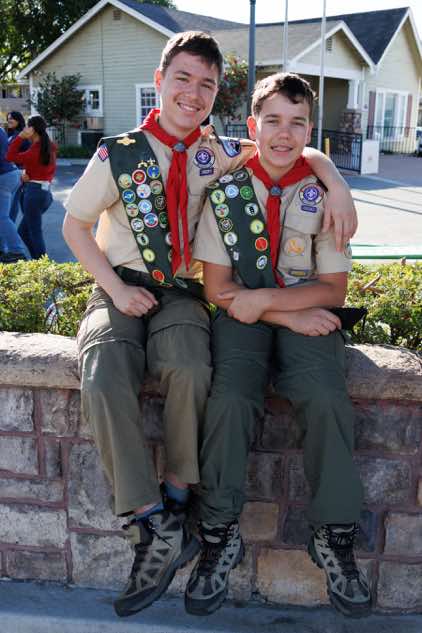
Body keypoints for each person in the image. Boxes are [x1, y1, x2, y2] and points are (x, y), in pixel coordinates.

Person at [62, 31, 358, 618]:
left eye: (207, 84)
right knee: (102, 374)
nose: (193, 94)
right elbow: (74, 225)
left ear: (218, 94)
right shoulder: (118, 153)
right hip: (120, 285)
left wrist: (336, 179)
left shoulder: (220, 152)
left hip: (179, 293)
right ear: (159, 80)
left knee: (192, 367)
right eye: (183, 79)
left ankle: (179, 494)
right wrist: (115, 289)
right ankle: (152, 522)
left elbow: (287, 146)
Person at [188, 72, 371, 619]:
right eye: (272, 121)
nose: (283, 134)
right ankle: (219, 532)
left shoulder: (324, 196)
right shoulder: (227, 192)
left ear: (310, 130)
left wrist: (267, 302)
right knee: (229, 400)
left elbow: (333, 290)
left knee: (325, 396)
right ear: (253, 126)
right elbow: (219, 291)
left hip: (305, 313)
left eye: (296, 123)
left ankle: (334, 534)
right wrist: (279, 312)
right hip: (253, 318)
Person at [6, 115, 56, 259]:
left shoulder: (35, 150)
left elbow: (9, 156)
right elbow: (44, 170)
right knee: (23, 232)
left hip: (34, 194)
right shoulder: (48, 146)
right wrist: (28, 175)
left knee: (34, 233)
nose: (25, 129)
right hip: (44, 193)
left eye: (27, 126)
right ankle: (37, 261)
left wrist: (20, 137)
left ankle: (43, 265)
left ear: (33, 129)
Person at [0, 126, 27, 263]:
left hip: (4, 177)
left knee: (2, 217)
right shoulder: (1, 130)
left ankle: (17, 251)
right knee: (4, 216)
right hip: (12, 173)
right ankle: (3, 249)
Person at [6, 111, 30, 223]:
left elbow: (27, 154)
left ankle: (10, 227)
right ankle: (27, 226)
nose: (9, 120)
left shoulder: (22, 135)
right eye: (8, 118)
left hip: (19, 172)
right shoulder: (10, 134)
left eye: (11, 118)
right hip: (12, 172)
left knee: (14, 201)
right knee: (19, 201)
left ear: (18, 120)